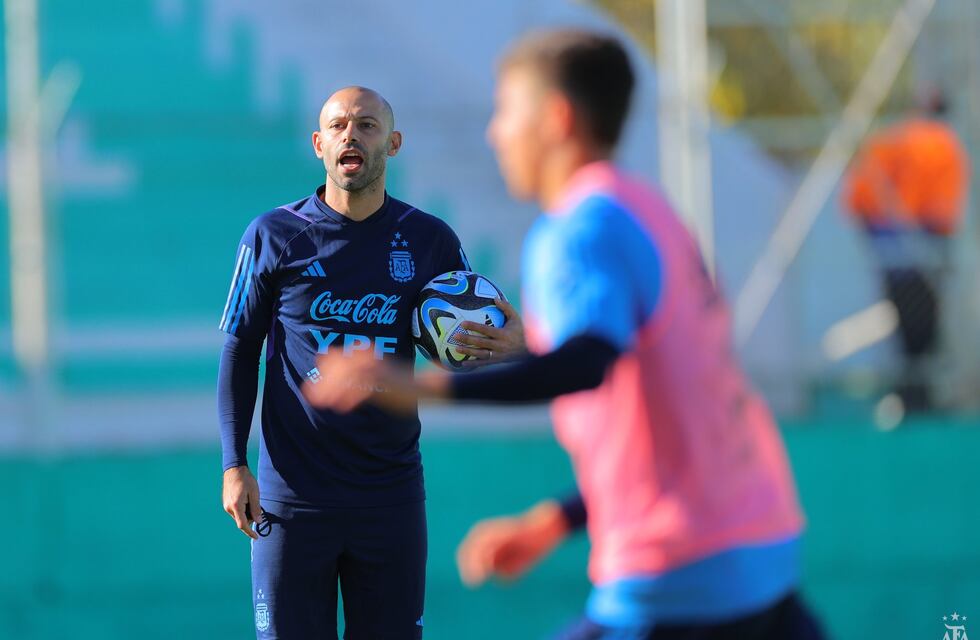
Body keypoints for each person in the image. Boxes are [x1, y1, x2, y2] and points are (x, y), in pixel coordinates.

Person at [304, 31, 825, 639]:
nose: (495, 133)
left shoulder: (578, 229)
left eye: (506, 111)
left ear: (556, 120)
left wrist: (411, 385)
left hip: (679, 575)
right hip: (761, 547)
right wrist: (555, 520)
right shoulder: (647, 211)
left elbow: (585, 364)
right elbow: (670, 417)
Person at [217, 86, 525, 639]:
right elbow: (239, 352)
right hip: (292, 502)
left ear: (393, 142)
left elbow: (463, 343)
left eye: (366, 124)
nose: (350, 135)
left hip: (389, 498)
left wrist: (509, 346)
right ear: (318, 144)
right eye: (337, 126)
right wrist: (232, 463)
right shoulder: (272, 236)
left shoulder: (431, 241)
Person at [843, 92, 970, 414]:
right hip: (919, 235)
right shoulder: (937, 141)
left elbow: (859, 196)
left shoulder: (894, 138)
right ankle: (917, 395)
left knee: (911, 318)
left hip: (897, 234)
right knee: (920, 320)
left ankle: (915, 393)